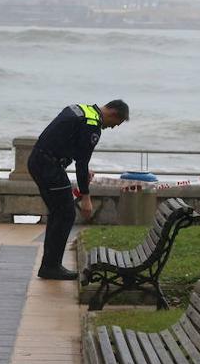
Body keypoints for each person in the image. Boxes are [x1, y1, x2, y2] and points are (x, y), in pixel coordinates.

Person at [29, 100, 129, 280]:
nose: (112, 128)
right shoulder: (92, 125)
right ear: (113, 113)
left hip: (39, 161)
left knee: (58, 213)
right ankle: (51, 266)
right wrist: (86, 197)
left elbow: (64, 139)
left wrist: (75, 164)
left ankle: (49, 265)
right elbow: (82, 162)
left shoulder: (81, 110)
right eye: (115, 124)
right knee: (66, 214)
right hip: (48, 167)